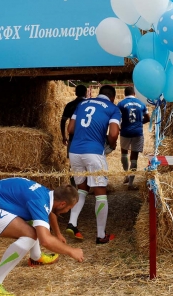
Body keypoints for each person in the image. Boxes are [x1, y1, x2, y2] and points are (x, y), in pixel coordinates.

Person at [0, 178, 84, 296]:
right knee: (30, 235)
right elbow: (46, 240)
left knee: (35, 223)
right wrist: (71, 251)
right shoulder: (39, 201)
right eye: (69, 209)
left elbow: (49, 212)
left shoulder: (47, 194)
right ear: (63, 204)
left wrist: (58, 234)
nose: (67, 212)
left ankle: (36, 257)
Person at [65, 84, 121, 244]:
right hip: (94, 152)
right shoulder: (112, 108)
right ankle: (101, 235)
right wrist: (112, 143)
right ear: (112, 97)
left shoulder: (82, 104)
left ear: (98, 94)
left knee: (81, 190)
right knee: (100, 194)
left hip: (75, 152)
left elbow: (70, 128)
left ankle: (72, 223)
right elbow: (114, 133)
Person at [117, 86, 150, 190]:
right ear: (134, 94)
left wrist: (120, 127)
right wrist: (139, 123)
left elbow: (116, 118)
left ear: (124, 94)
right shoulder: (141, 103)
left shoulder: (121, 104)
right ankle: (131, 184)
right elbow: (148, 118)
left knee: (124, 153)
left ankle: (126, 174)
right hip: (137, 132)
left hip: (125, 131)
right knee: (134, 157)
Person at [60, 84, 88, 185]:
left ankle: (73, 185)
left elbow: (63, 121)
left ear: (75, 93)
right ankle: (86, 185)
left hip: (73, 139)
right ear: (86, 93)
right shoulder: (89, 104)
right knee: (87, 162)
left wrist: (64, 136)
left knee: (73, 164)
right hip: (87, 138)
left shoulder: (70, 105)